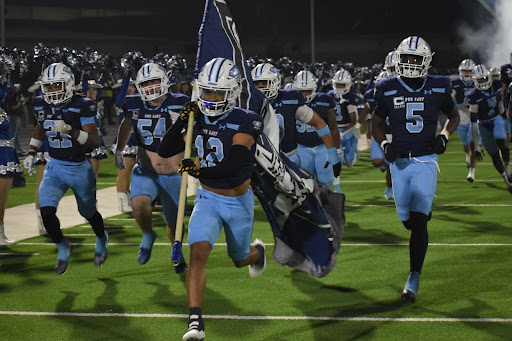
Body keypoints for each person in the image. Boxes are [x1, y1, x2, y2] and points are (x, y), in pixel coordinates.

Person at [159, 57, 266, 341]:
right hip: (207, 198)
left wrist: (197, 169)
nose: (211, 98)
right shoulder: (198, 117)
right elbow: (166, 148)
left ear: (231, 93)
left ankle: (258, 254)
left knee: (239, 258)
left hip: (238, 201)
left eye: (218, 92)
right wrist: (183, 118)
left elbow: (234, 164)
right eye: (207, 92)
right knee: (197, 255)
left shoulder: (246, 119)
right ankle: (195, 321)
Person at [371, 36, 460, 303]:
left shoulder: (439, 85)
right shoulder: (386, 86)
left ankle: (414, 277)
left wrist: (444, 135)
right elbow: (375, 122)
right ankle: (419, 213)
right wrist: (385, 144)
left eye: (415, 59)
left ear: (426, 62)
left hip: (425, 160)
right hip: (399, 162)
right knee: (407, 220)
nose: (410, 63)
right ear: (397, 59)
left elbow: (454, 115)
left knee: (419, 220)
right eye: (406, 58)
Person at [23, 62, 109, 274]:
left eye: (57, 86)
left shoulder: (83, 104)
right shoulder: (40, 104)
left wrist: (71, 130)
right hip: (55, 167)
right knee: (46, 212)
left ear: (69, 84)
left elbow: (95, 141)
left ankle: (101, 237)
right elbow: (41, 128)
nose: (52, 91)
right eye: (49, 87)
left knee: (88, 212)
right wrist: (32, 152)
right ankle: (63, 245)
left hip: (80, 168)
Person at [114, 62, 189, 271]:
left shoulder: (181, 102)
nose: (151, 86)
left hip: (173, 173)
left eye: (155, 81)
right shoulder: (133, 104)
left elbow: (195, 132)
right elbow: (127, 124)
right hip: (146, 170)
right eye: (146, 83)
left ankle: (178, 251)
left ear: (165, 81)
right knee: (138, 203)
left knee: (174, 224)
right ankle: (148, 234)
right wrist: (119, 149)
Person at [251, 63, 340, 179]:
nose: (261, 88)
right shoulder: (249, 104)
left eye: (265, 83)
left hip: (288, 157)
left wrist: (333, 152)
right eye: (257, 84)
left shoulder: (290, 100)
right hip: (261, 159)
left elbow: (319, 123)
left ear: (276, 82)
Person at [291, 70, 341, 189]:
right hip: (301, 147)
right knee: (304, 183)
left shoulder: (324, 100)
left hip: (322, 146)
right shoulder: (290, 101)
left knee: (326, 182)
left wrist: (337, 150)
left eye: (308, 91)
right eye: (301, 91)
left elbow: (333, 127)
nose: (305, 95)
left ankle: (324, 204)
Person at [467, 64, 512, 192]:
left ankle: (508, 167)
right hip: (483, 124)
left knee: (501, 141)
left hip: (496, 119)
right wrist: (476, 145)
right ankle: (506, 180)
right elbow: (473, 123)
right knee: (494, 155)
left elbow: (500, 103)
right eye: (479, 79)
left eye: (484, 78)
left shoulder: (497, 85)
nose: (482, 82)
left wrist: (505, 119)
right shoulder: (473, 95)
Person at [112, 76, 137, 213]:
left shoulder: (136, 101)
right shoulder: (120, 101)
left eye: (133, 86)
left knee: (131, 172)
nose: (131, 88)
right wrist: (127, 74)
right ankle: (122, 202)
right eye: (128, 86)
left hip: (136, 139)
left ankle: (127, 197)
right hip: (126, 140)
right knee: (124, 171)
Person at [0, 107, 24, 245]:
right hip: (1, 156)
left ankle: (2, 234)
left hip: (7, 154)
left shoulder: (2, 108)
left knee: (3, 201)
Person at [451, 59, 477, 182]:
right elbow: (449, 101)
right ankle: (467, 155)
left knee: (473, 146)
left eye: (469, 71)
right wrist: (458, 105)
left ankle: (472, 172)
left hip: (474, 119)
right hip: (461, 119)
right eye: (465, 71)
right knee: (465, 146)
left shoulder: (479, 81)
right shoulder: (455, 83)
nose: (467, 73)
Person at [6, 83, 28, 156]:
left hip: (18, 115)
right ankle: (14, 149)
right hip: (14, 115)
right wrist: (19, 104)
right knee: (14, 134)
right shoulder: (11, 96)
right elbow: (12, 107)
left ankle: (18, 148)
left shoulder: (18, 95)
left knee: (17, 133)